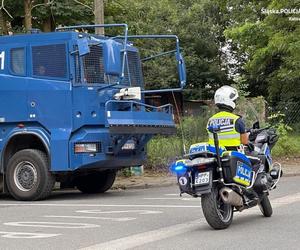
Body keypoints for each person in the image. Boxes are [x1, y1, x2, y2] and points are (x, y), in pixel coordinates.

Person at [207, 85, 248, 151]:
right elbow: (244, 142)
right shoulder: (237, 120)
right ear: (230, 101)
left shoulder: (210, 120)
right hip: (234, 157)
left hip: (215, 156)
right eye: (234, 101)